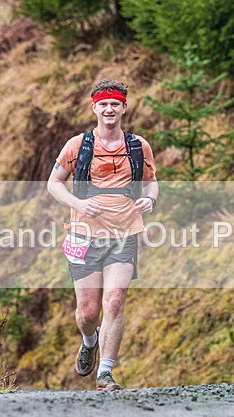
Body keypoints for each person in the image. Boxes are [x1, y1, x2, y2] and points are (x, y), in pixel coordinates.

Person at [47, 79, 158, 391]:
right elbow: (54, 184)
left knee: (115, 299)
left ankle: (106, 372)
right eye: (103, 104)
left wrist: (150, 199)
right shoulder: (77, 145)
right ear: (94, 107)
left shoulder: (138, 146)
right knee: (88, 312)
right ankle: (89, 339)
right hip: (83, 235)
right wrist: (79, 203)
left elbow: (151, 181)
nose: (109, 109)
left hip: (125, 232)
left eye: (115, 104)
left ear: (124, 107)